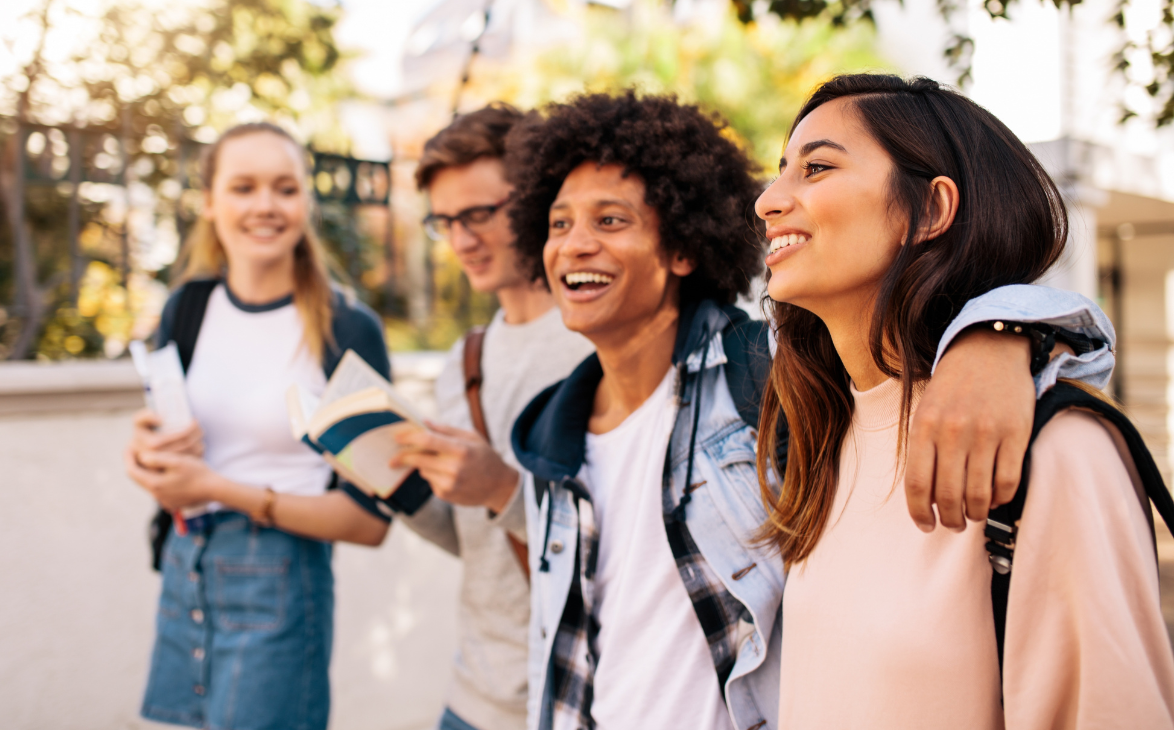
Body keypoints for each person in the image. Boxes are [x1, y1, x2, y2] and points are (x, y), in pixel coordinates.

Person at [502, 90, 1116, 730]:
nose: (573, 245)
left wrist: (998, 335)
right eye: (558, 224)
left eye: (609, 221)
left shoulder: (763, 377)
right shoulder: (549, 435)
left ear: (683, 246)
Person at [754, 74, 1174, 729]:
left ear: (929, 210)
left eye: (817, 167)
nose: (769, 201)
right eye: (780, 172)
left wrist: (1007, 331)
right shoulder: (817, 440)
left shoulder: (1053, 446)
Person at [124, 122, 394, 730]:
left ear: (307, 202)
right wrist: (144, 458)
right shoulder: (186, 308)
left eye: (285, 188)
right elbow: (167, 454)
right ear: (210, 202)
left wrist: (215, 488)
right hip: (185, 567)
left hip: (281, 581)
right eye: (243, 187)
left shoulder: (346, 330)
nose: (265, 206)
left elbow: (369, 520)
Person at [387, 104, 595, 730]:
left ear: (535, 198)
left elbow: (633, 540)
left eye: (479, 214)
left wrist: (502, 488)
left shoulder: (599, 341)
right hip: (473, 696)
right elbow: (476, 545)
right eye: (445, 221)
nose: (462, 240)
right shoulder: (464, 359)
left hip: (575, 697)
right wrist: (392, 484)